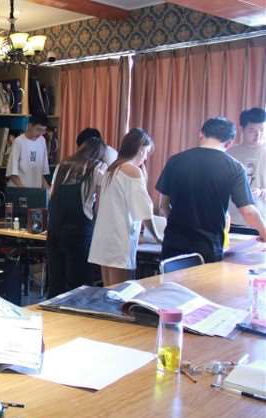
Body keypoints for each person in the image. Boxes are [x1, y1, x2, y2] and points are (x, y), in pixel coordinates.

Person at [157, 117, 266, 263]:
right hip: (207, 246)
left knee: (171, 278)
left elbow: (163, 206)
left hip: (173, 243)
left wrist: (176, 226)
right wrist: (264, 232)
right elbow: (248, 212)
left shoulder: (175, 160)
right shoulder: (234, 167)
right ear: (229, 143)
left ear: (201, 134)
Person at [88, 128, 162, 286]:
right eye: (146, 152)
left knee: (108, 289)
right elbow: (144, 210)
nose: (145, 157)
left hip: (105, 237)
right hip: (119, 239)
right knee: (121, 291)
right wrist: (157, 237)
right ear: (140, 149)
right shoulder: (132, 171)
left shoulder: (111, 169)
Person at [47, 136, 107, 298]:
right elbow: (100, 206)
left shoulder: (62, 166)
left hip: (55, 229)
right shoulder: (99, 167)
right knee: (79, 284)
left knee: (56, 281)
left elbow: (51, 196)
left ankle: (52, 313)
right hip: (80, 230)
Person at [227, 107, 266, 225]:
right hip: (233, 218)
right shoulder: (230, 154)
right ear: (242, 129)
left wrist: (261, 192)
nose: (258, 135)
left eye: (262, 129)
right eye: (252, 130)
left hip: (262, 220)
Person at [6, 113, 51, 189]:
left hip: (35, 191)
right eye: (38, 129)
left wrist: (49, 191)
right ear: (30, 126)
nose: (40, 134)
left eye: (43, 131)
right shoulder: (18, 142)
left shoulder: (42, 141)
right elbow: (12, 174)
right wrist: (25, 192)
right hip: (19, 190)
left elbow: (40, 174)